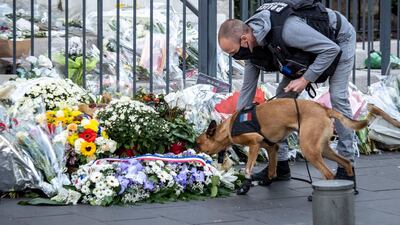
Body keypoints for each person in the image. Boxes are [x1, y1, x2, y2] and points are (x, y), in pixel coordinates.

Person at [218, 1, 357, 186]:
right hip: (306, 51)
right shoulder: (250, 49)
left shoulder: (286, 30)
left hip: (338, 38)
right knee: (281, 98)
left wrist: (305, 79)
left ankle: (347, 171)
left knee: (338, 96)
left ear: (244, 39)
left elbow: (331, 49)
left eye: (232, 52)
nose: (233, 57)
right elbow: (247, 88)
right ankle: (280, 166)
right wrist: (235, 122)